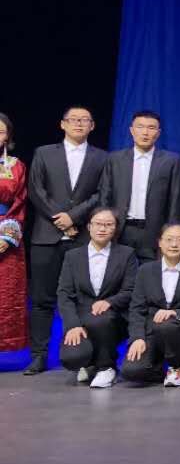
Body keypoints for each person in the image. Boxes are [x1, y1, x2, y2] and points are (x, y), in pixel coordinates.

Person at [25, 106, 108, 373]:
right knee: (42, 299)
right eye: (73, 120)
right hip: (45, 237)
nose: (78, 124)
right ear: (62, 124)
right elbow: (35, 190)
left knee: (83, 299)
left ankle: (83, 357)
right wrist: (59, 219)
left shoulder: (101, 157)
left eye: (85, 120)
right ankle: (39, 355)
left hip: (81, 236)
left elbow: (101, 194)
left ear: (92, 126)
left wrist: (73, 217)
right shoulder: (44, 153)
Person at [55, 208, 137, 388]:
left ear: (115, 229)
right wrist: (72, 325)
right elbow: (64, 293)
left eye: (108, 224)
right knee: (72, 358)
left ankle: (106, 367)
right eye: (98, 224)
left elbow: (131, 290)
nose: (102, 228)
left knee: (100, 320)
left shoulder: (126, 254)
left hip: (113, 316)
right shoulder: (73, 256)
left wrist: (109, 302)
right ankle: (90, 364)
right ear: (89, 227)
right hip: (82, 318)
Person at [121, 222, 180, 386]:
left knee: (167, 326)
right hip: (151, 331)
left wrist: (176, 313)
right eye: (169, 239)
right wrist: (137, 337)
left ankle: (178, 367)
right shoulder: (145, 270)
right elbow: (136, 309)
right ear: (160, 242)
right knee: (131, 371)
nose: (174, 244)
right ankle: (159, 368)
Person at [100, 110, 180, 261]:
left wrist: (170, 233)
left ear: (158, 133)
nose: (145, 132)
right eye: (140, 127)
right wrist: (105, 226)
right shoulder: (115, 159)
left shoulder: (171, 160)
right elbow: (105, 196)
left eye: (151, 128)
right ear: (132, 130)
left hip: (154, 232)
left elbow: (175, 201)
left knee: (150, 273)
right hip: (121, 230)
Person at [0, 112, 28, 355]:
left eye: (0, 131)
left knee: (4, 296)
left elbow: (20, 202)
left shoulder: (15, 166)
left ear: (7, 136)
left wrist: (7, 236)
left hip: (4, 235)